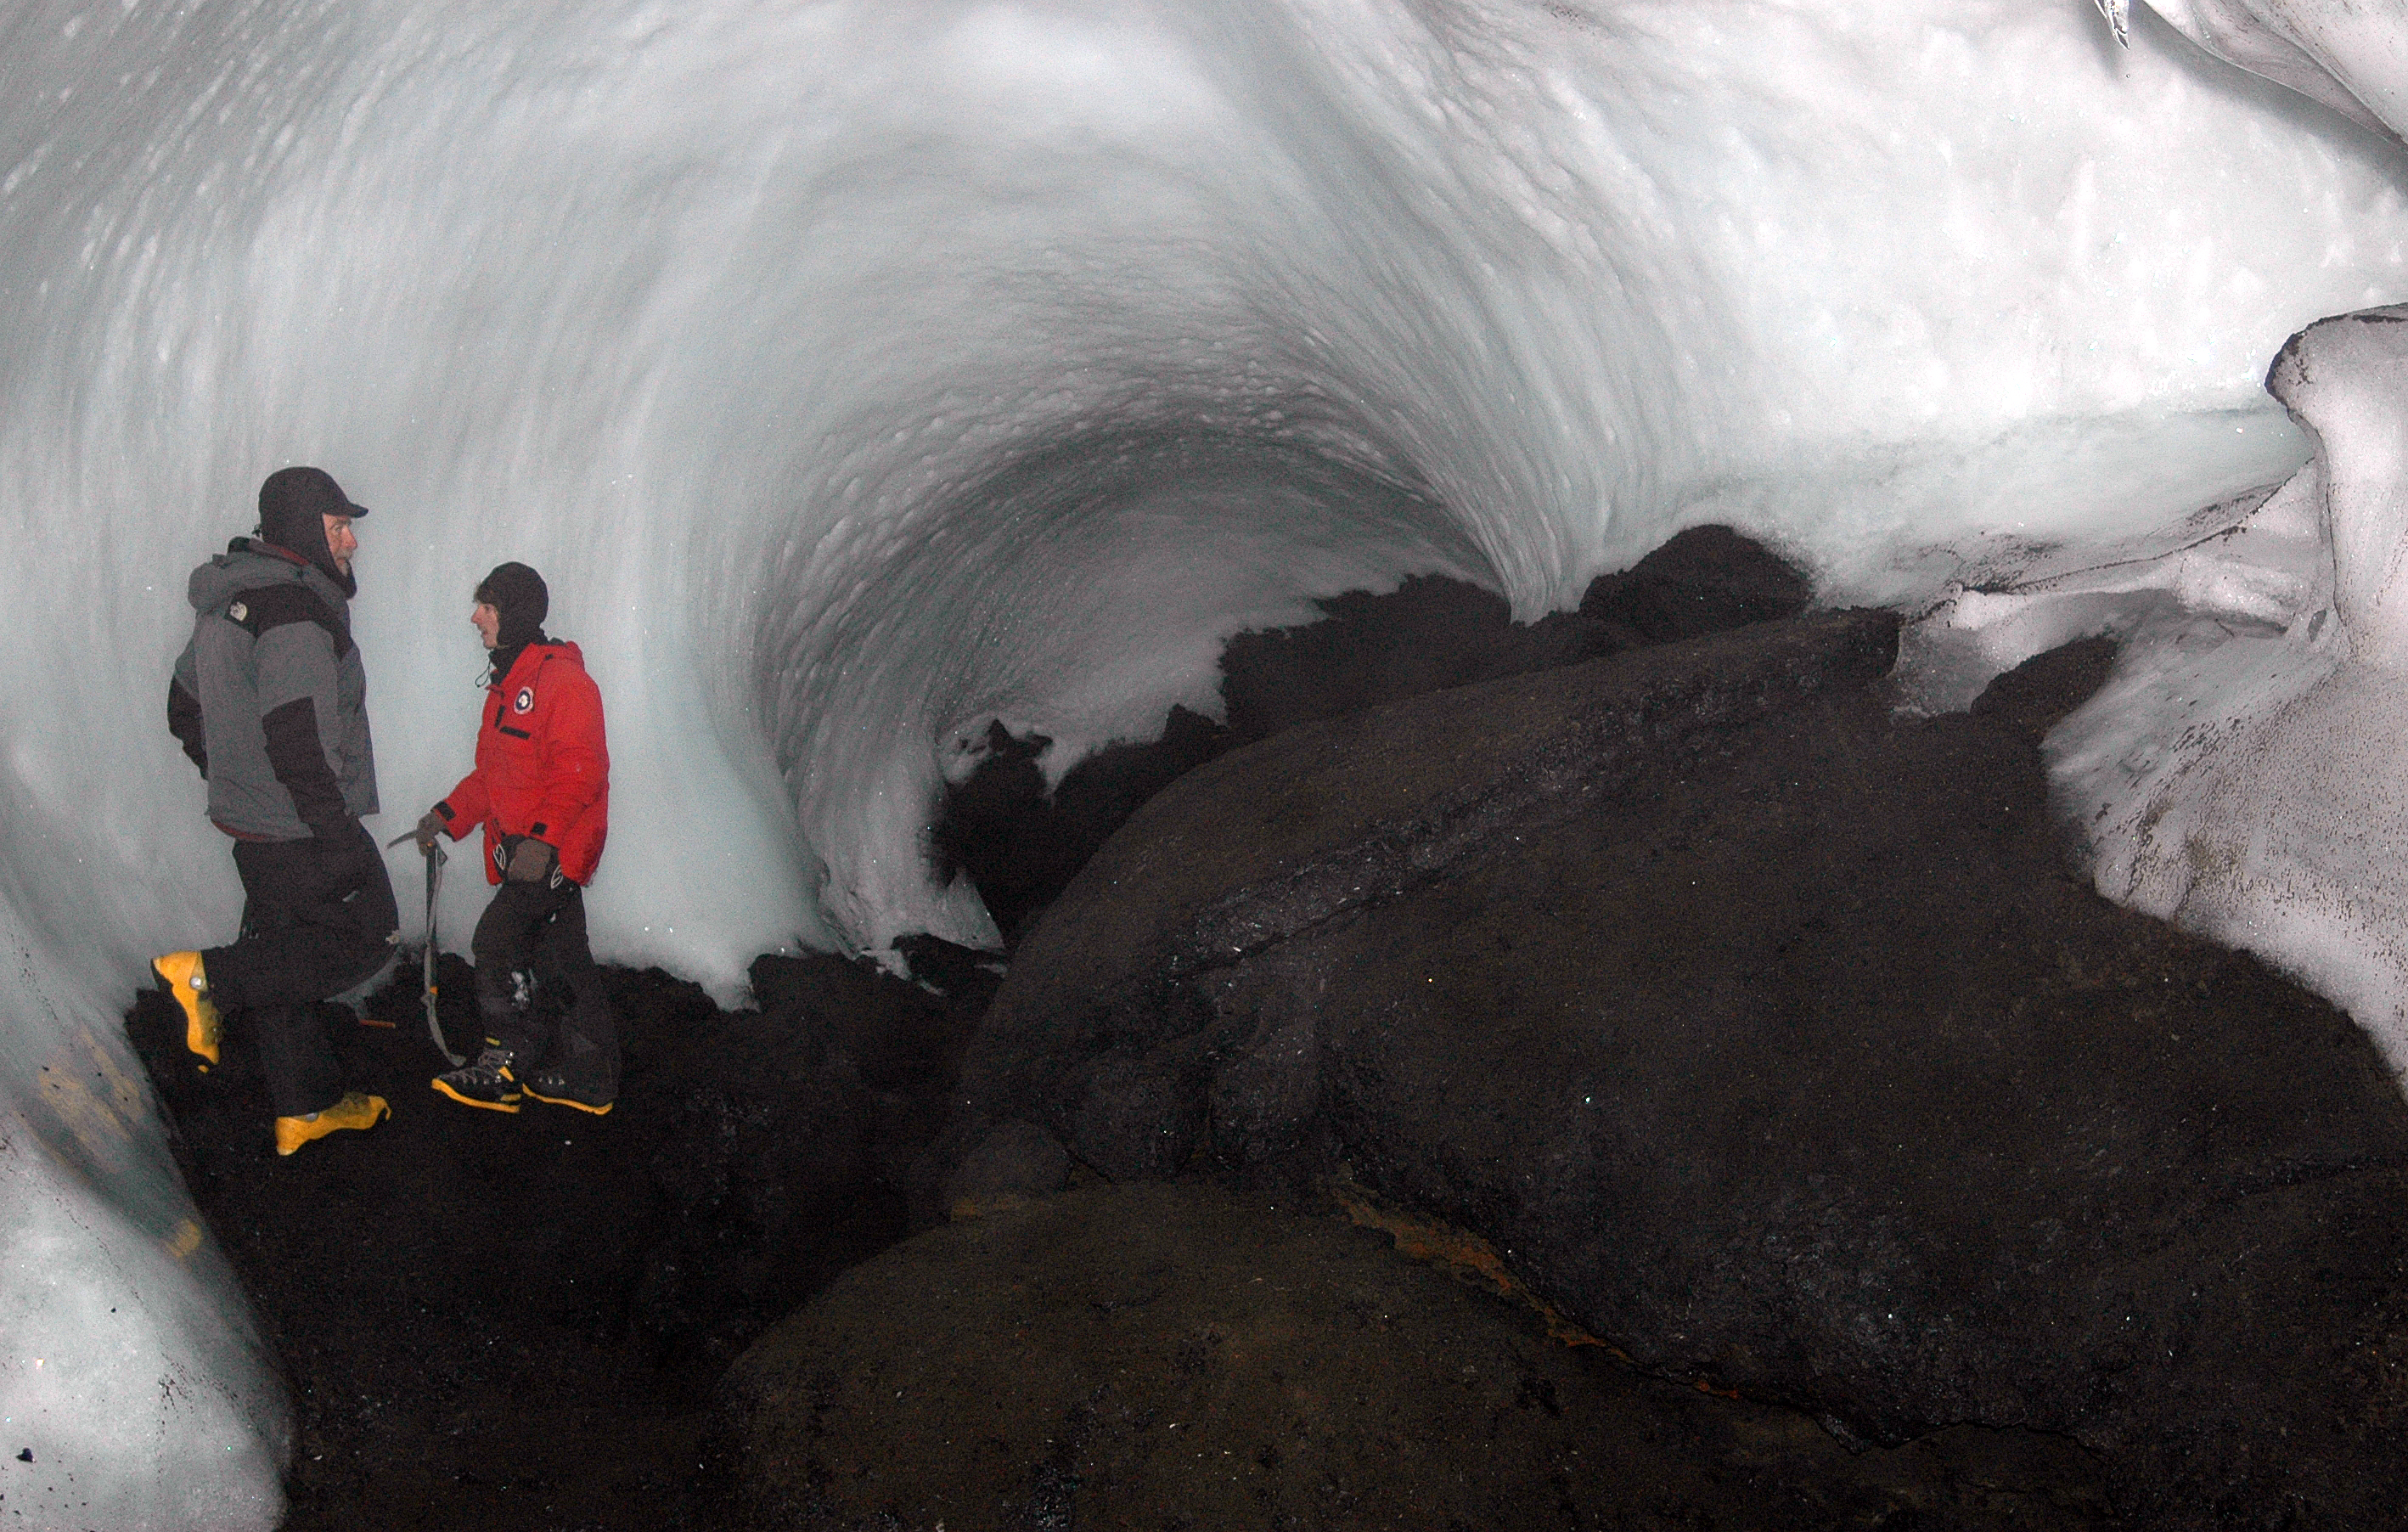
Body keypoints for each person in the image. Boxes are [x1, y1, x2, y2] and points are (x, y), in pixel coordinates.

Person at [154, 466, 396, 1156]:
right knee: (367, 932)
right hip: (298, 826)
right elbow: (297, 736)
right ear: (301, 530)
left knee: (286, 950)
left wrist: (234, 776)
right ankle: (203, 980)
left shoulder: (233, 599)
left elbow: (183, 707)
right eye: (339, 527)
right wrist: (337, 834)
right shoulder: (292, 611)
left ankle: (306, 1106)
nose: (351, 541)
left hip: (258, 823)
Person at [413, 562, 619, 1115]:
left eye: (488, 606)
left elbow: (581, 772)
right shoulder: (510, 686)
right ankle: (589, 1076)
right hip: (527, 855)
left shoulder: (563, 683)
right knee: (561, 960)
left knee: (496, 943)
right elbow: (492, 780)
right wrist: (445, 816)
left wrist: (544, 842)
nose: (476, 617)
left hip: (552, 857)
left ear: (515, 615)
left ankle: (506, 1062)